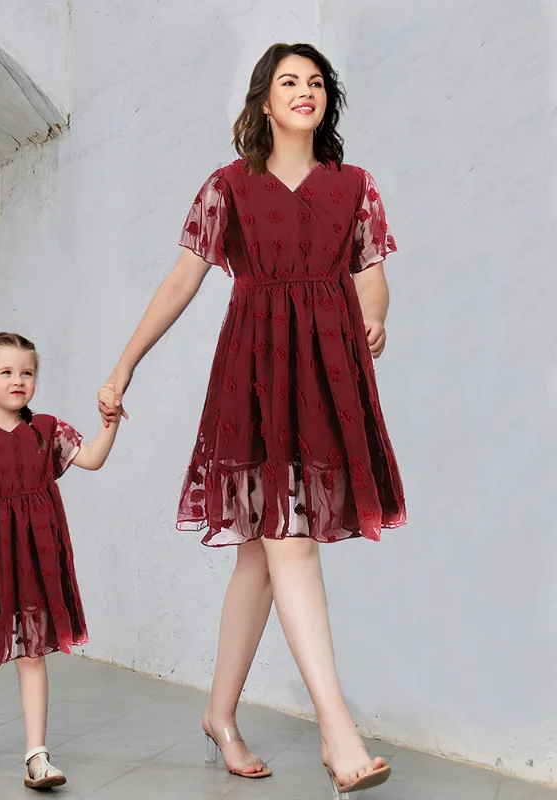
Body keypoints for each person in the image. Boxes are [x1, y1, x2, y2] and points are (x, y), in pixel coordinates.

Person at [99, 43, 405, 797]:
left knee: (260, 560)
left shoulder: (355, 186)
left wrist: (374, 316)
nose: (305, 92)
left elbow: (372, 275)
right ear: (265, 101)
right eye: (288, 81)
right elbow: (182, 280)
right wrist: (125, 363)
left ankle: (219, 716)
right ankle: (338, 732)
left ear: (327, 100)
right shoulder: (228, 186)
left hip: (328, 374)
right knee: (290, 544)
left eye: (316, 82)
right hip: (257, 373)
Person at [0, 332, 120, 791]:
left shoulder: (47, 429)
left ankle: (37, 756)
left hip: (36, 551)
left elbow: (92, 459)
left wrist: (110, 424)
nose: (18, 380)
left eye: (27, 372)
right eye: (6, 372)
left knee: (32, 652)